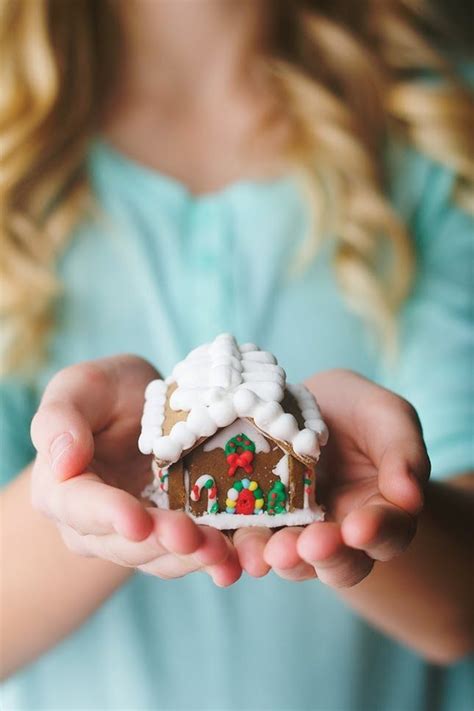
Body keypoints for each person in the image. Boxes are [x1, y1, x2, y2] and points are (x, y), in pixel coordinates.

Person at [1, 1, 473, 709]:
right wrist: (87, 485)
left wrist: (340, 489)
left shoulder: (434, 125)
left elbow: (460, 611)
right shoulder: (18, 160)